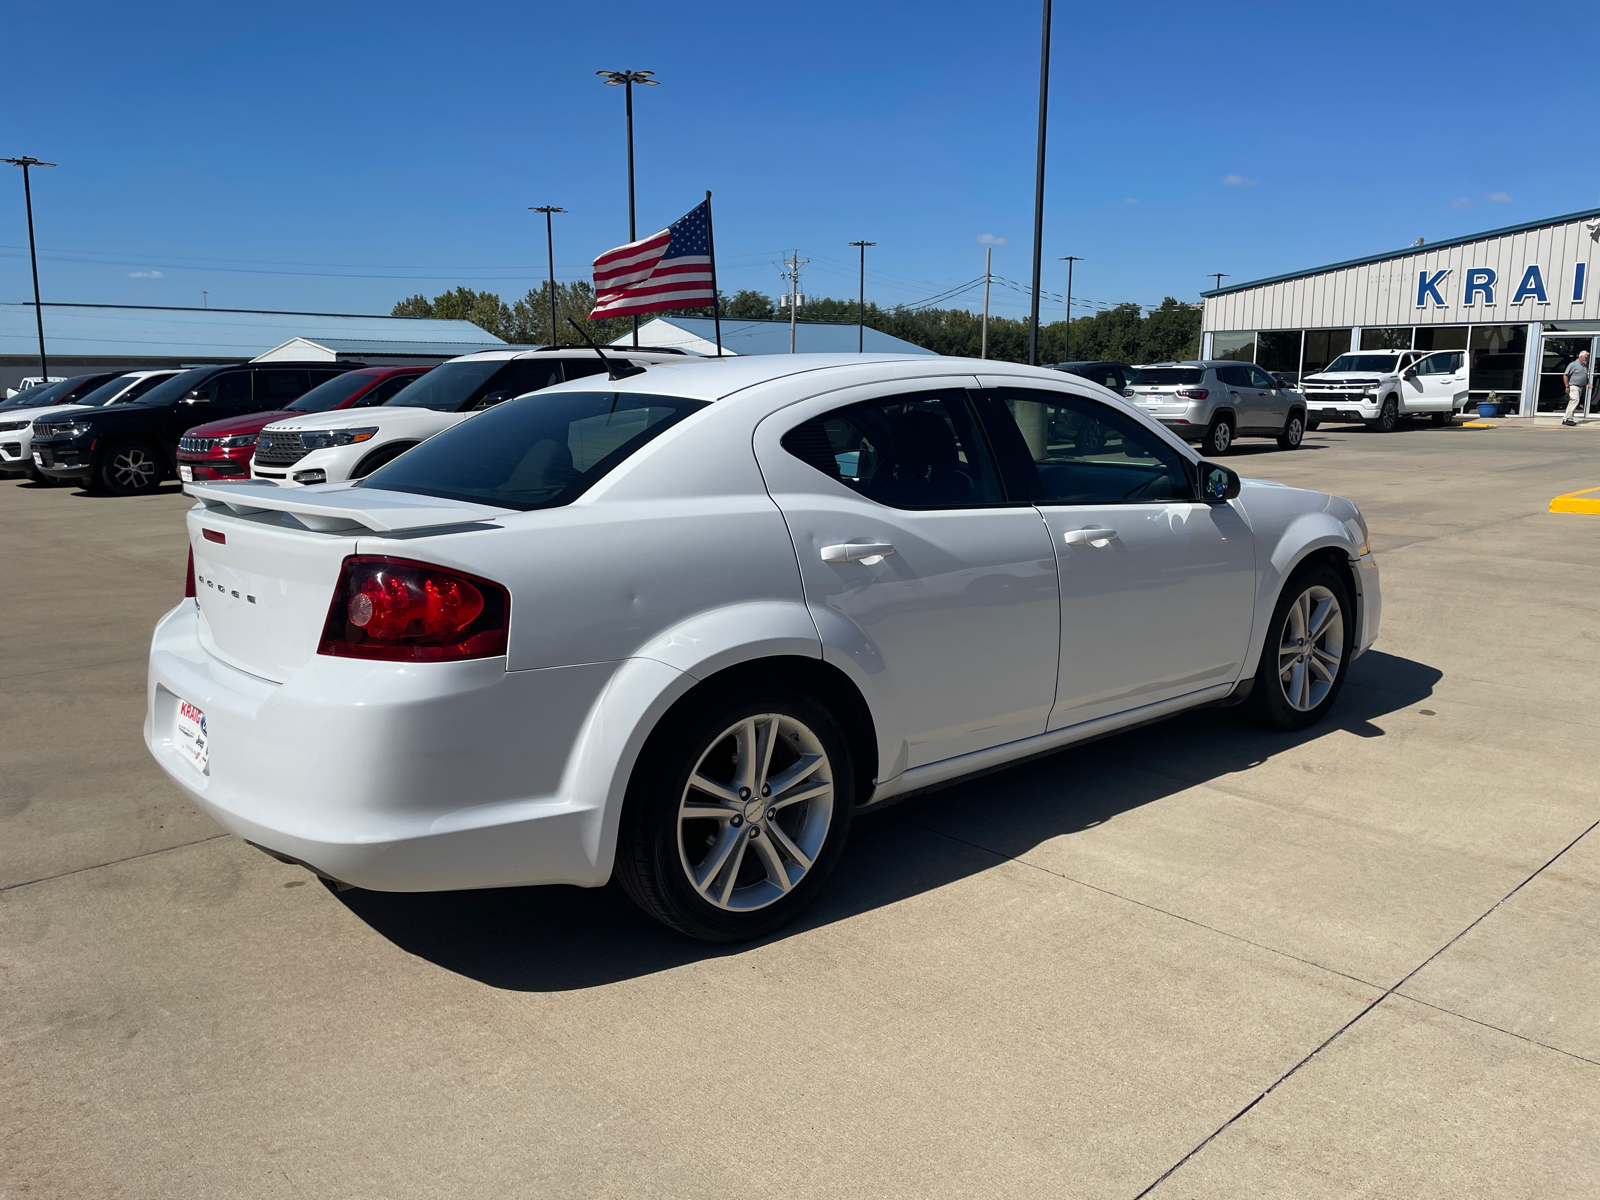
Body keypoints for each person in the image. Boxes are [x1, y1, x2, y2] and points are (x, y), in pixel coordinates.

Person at [1563, 350, 1591, 426]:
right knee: (1575, 400)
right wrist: (1567, 386)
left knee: (1573, 402)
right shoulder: (1573, 365)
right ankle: (1568, 419)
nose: (1587, 358)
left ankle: (1566, 418)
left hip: (1581, 386)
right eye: (1586, 357)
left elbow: (1584, 376)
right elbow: (1565, 375)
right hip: (1573, 386)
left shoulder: (1584, 366)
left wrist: (1588, 383)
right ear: (1581, 356)